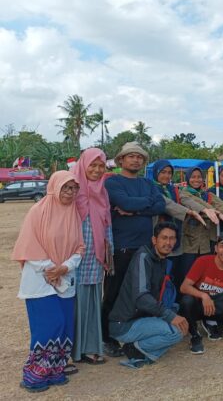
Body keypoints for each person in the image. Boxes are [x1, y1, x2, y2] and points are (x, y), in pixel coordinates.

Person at [12, 171, 84, 392]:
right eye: (66, 188)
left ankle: (56, 370)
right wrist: (50, 269)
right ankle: (34, 376)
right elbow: (29, 246)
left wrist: (65, 267)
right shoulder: (38, 212)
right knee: (49, 324)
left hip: (64, 277)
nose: (70, 193)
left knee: (64, 325)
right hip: (39, 279)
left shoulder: (74, 214)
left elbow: (80, 247)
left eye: (74, 188)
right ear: (54, 187)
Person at [102, 142, 166, 357]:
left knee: (142, 292)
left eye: (139, 157)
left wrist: (135, 209)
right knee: (114, 291)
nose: (136, 160)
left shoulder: (148, 183)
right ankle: (107, 336)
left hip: (145, 247)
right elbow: (124, 203)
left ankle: (134, 332)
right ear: (121, 160)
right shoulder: (113, 182)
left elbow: (160, 205)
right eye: (131, 156)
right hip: (121, 247)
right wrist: (139, 205)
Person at [108, 222, 187, 369]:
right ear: (154, 240)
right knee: (176, 332)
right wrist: (169, 316)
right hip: (124, 323)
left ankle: (141, 353)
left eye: (172, 239)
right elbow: (141, 297)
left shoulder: (162, 260)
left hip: (142, 318)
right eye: (164, 238)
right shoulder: (143, 257)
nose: (168, 242)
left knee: (177, 324)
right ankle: (134, 348)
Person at [71, 148, 113, 366]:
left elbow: (107, 225)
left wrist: (109, 251)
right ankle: (71, 350)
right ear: (83, 165)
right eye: (93, 165)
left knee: (92, 302)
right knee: (73, 303)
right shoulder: (71, 189)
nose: (97, 170)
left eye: (101, 166)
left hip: (95, 259)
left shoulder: (102, 192)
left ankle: (88, 348)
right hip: (72, 259)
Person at [152, 160, 219, 291]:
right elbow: (168, 205)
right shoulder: (151, 188)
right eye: (163, 172)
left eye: (169, 173)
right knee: (159, 278)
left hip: (177, 241)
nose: (166, 176)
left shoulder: (175, 190)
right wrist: (190, 212)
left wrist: (207, 210)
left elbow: (187, 200)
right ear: (156, 173)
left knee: (177, 277)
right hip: (160, 239)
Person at [180, 166, 223, 276]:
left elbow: (221, 205)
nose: (196, 180)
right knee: (188, 272)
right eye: (193, 177)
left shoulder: (207, 194)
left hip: (207, 241)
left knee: (204, 273)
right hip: (190, 242)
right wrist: (211, 211)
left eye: (199, 177)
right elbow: (194, 202)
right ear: (187, 178)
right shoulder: (183, 193)